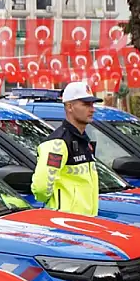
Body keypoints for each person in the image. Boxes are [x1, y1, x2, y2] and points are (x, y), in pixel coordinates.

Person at [31, 81, 101, 216]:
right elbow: (41, 188)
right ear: (69, 107)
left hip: (85, 223)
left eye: (92, 104)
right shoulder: (57, 143)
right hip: (64, 225)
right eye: (86, 104)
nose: (92, 109)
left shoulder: (84, 141)